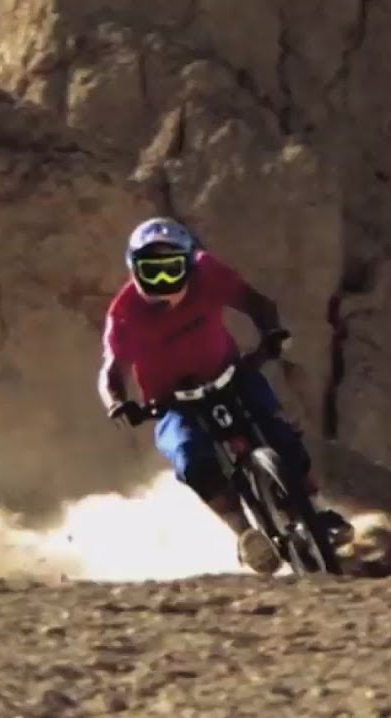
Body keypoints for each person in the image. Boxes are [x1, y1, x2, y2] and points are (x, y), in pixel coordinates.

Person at [97, 217, 352, 575]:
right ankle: (246, 535)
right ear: (133, 269)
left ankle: (315, 508)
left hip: (232, 375)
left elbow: (256, 302)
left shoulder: (209, 273)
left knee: (281, 435)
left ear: (190, 264)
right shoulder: (124, 315)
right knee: (191, 459)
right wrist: (118, 402)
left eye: (172, 270)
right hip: (173, 402)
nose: (164, 283)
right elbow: (111, 370)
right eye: (152, 272)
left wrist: (272, 333)